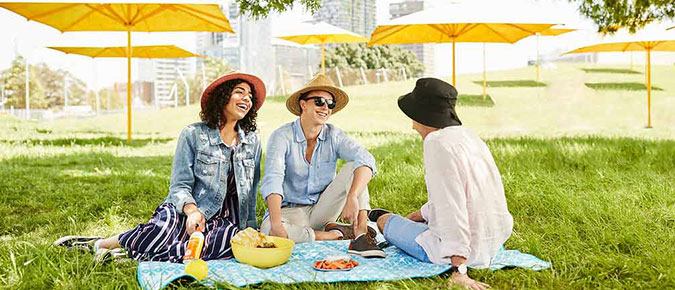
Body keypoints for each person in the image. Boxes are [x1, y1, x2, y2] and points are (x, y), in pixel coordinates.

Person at [54, 72, 266, 263]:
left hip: (225, 220)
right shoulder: (193, 134)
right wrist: (192, 213)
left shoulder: (252, 142)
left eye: (250, 96)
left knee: (223, 245)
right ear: (223, 97)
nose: (246, 98)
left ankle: (125, 256)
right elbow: (179, 186)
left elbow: (250, 191)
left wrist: (249, 229)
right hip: (188, 209)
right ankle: (100, 244)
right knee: (162, 230)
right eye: (240, 92)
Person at [368, 78, 513, 289]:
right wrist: (421, 214)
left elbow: (450, 207)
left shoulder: (437, 143)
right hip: (491, 240)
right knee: (413, 220)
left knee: (384, 220)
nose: (412, 125)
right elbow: (467, 192)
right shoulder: (468, 137)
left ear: (422, 114)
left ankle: (382, 219)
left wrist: (460, 270)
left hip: (461, 251)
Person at [259, 74, 384, 258]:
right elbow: (273, 180)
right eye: (319, 101)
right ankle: (333, 235)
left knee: (354, 167)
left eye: (330, 104)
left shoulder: (334, 135)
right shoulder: (281, 137)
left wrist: (352, 196)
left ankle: (361, 234)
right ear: (303, 104)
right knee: (268, 228)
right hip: (290, 211)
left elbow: (366, 158)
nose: (325, 108)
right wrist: (277, 225)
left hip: (323, 208)